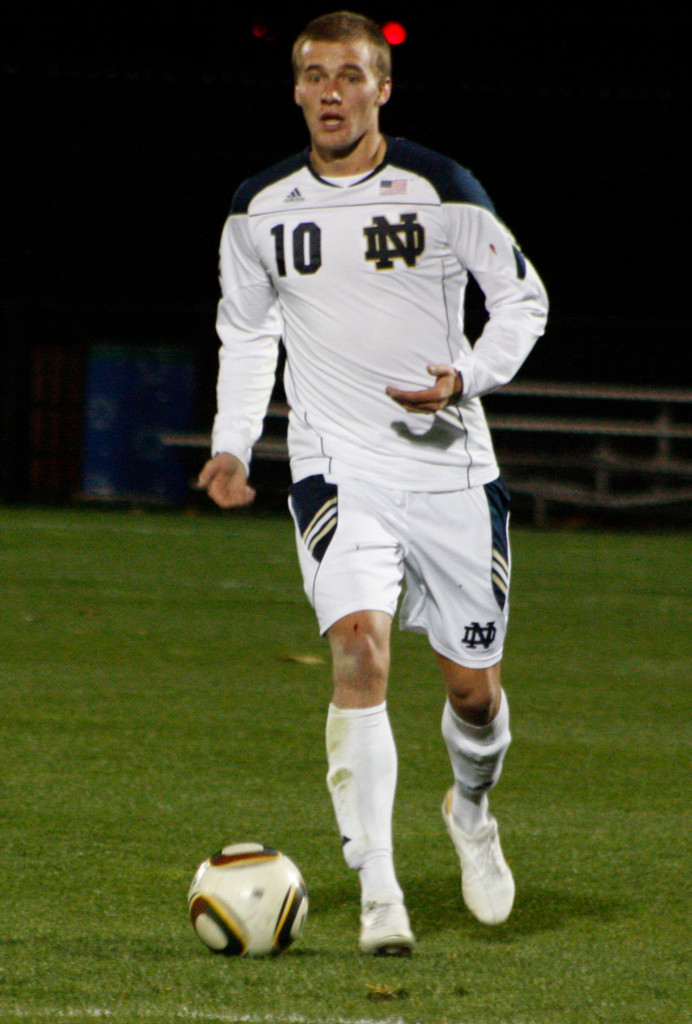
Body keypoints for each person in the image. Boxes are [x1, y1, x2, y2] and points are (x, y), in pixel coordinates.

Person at [199, 11, 548, 955]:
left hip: (449, 471)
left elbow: (524, 297)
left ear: (382, 89)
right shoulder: (258, 207)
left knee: (473, 693)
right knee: (358, 652)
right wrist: (235, 444)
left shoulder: (443, 189)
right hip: (336, 468)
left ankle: (472, 815)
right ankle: (380, 892)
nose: (330, 92)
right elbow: (248, 331)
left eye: (350, 76)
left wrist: (464, 377)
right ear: (298, 89)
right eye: (315, 75)